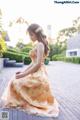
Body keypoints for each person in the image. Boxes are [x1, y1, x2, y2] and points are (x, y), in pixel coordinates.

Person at [0, 24, 59, 117]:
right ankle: (21, 100)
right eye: (29, 35)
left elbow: (38, 64)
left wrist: (24, 75)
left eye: (31, 35)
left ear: (37, 34)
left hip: (39, 75)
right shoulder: (38, 44)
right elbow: (33, 62)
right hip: (36, 72)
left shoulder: (40, 44)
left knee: (16, 82)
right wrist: (23, 72)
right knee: (15, 80)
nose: (30, 37)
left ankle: (21, 101)